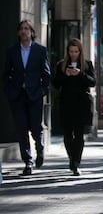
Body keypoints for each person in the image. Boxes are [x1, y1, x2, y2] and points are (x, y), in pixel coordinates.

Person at [3, 20, 51, 176]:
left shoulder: (40, 50)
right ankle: (28, 162)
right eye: (21, 29)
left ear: (31, 32)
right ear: (18, 33)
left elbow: (46, 74)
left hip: (35, 95)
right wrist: (9, 91)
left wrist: (42, 91)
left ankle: (40, 148)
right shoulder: (12, 51)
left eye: (27, 29)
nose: (24, 31)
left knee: (36, 127)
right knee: (21, 129)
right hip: (17, 96)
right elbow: (6, 73)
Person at [52, 38, 96, 176]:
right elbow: (55, 83)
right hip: (66, 103)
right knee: (67, 135)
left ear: (80, 52)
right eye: (71, 51)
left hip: (81, 103)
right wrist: (65, 74)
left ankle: (76, 162)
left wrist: (80, 74)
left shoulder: (87, 64)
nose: (73, 54)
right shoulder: (61, 65)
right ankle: (72, 157)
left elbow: (92, 82)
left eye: (76, 51)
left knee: (79, 135)